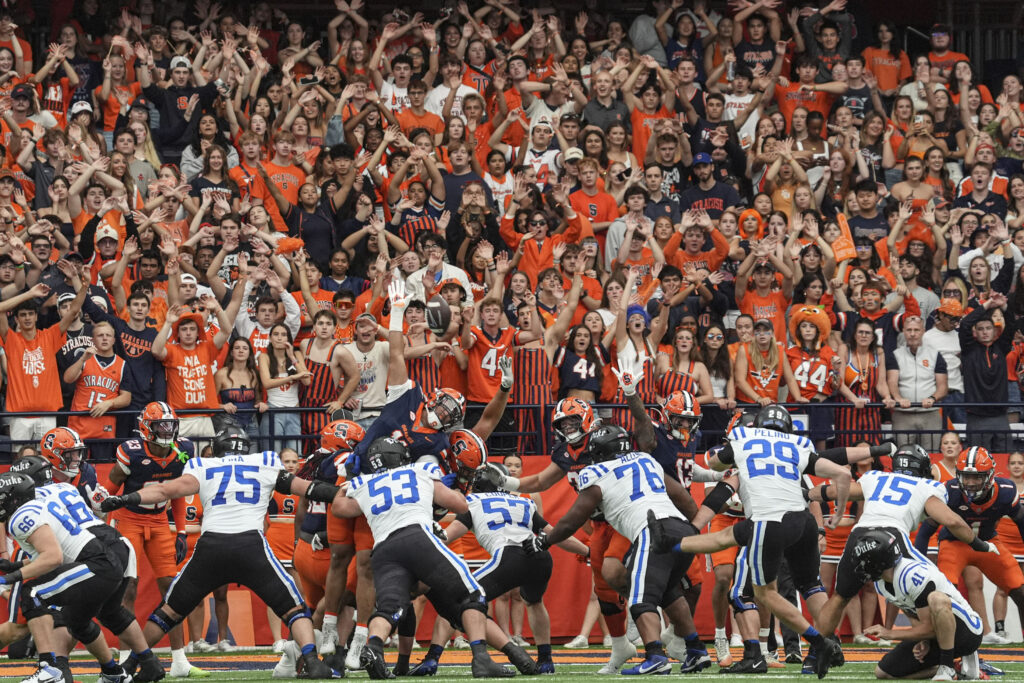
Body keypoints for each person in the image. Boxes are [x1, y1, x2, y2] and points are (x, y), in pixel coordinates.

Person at [98, 426, 343, 679]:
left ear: (216, 448)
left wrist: (126, 499)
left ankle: (133, 664)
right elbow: (309, 489)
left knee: (168, 611)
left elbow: (164, 491)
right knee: (294, 609)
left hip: (211, 548)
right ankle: (312, 661)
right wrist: (341, 492)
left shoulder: (203, 466)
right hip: (251, 547)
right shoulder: (264, 462)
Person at [664, 404, 853, 677]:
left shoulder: (744, 443)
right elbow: (829, 480)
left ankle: (795, 646)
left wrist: (693, 526)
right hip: (798, 522)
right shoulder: (794, 447)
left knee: (747, 592)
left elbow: (716, 490)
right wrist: (828, 522)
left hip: (763, 523)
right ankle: (824, 642)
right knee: (809, 585)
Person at [330, 436, 513, 679]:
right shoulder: (420, 469)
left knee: (389, 608)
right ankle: (481, 658)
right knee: (472, 595)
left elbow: (340, 509)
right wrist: (458, 487)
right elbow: (460, 505)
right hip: (418, 539)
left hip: (384, 550)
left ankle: (374, 647)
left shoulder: (364, 482)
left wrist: (346, 486)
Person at [808, 443, 999, 645]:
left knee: (840, 597)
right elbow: (952, 521)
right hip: (892, 538)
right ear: (922, 467)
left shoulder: (875, 477)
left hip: (860, 535)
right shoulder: (928, 486)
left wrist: (806, 495)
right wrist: (980, 544)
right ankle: (938, 645)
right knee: (920, 592)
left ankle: (815, 650)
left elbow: (832, 492)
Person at [0, 470, 163, 683]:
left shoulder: (22, 516)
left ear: (15, 497)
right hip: (103, 560)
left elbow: (54, 557)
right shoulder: (42, 505)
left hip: (95, 565)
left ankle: (49, 668)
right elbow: (54, 550)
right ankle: (113, 673)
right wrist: (16, 565)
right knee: (79, 621)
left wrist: (9, 577)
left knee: (32, 593)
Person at [98, 401, 202, 679]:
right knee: (127, 588)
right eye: (161, 425)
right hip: (128, 518)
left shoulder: (184, 451)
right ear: (147, 427)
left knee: (172, 589)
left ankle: (179, 659)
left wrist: (180, 530)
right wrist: (102, 524)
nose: (167, 431)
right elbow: (109, 493)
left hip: (158, 521)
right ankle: (123, 659)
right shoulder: (130, 453)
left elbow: (178, 492)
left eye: (171, 425)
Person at [914, 447, 1024, 630]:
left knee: (1020, 589)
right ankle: (950, 643)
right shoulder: (950, 491)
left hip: (989, 544)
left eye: (977, 477)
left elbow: (1021, 522)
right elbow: (926, 529)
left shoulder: (1005, 492)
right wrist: (918, 562)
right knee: (945, 596)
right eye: (966, 476)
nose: (971, 483)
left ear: (989, 476)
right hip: (954, 544)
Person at [851, 529, 981, 681]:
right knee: (883, 672)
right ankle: (957, 670)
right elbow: (913, 614)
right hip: (937, 632)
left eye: (864, 561)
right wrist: (923, 640)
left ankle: (947, 668)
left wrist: (890, 633)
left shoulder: (911, 576)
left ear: (877, 561)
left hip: (966, 631)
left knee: (936, 599)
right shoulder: (882, 583)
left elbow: (931, 627)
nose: (861, 567)